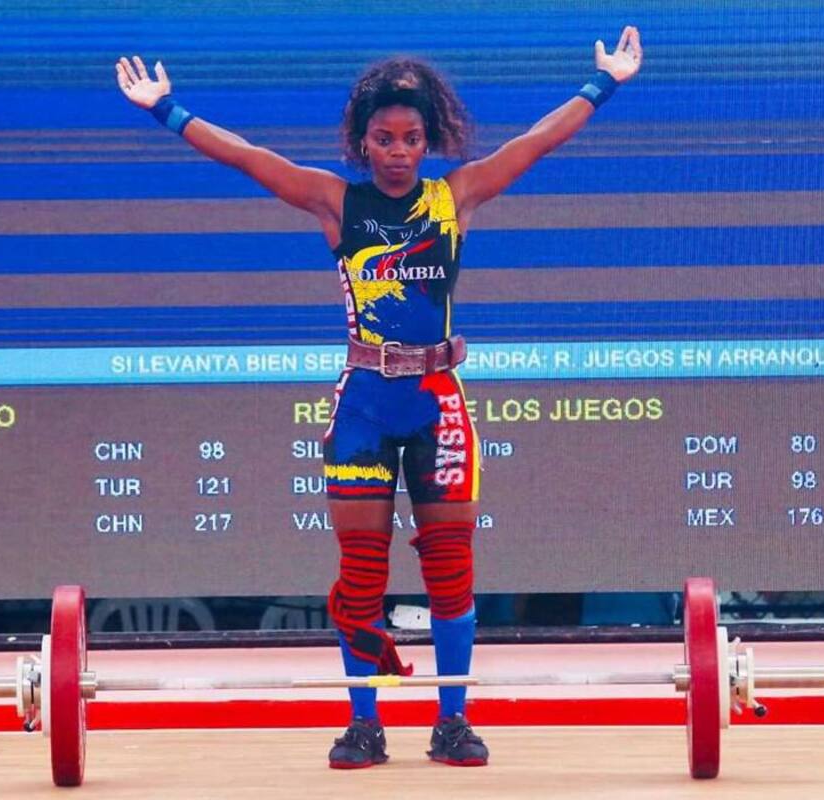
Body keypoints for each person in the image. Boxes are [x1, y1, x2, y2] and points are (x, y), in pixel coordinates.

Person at [116, 27, 642, 768]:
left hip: (437, 401)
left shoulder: (453, 196)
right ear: (363, 144)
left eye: (412, 138)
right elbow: (246, 158)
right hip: (363, 403)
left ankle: (452, 720)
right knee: (361, 573)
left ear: (427, 143)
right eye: (385, 138)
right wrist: (165, 110)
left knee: (451, 568)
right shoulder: (337, 204)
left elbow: (536, 142)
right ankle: (364, 724)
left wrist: (604, 83)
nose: (398, 150)